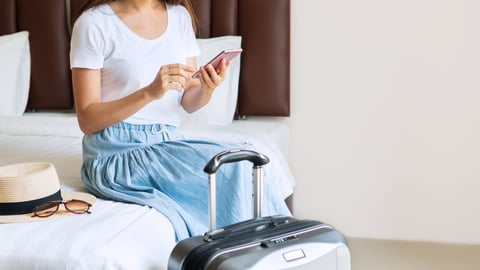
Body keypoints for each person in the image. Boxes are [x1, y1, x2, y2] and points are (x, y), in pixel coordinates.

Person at [70, 0, 291, 241]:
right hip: (116, 153)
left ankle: (270, 249)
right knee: (233, 171)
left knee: (243, 162)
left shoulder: (179, 17)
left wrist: (207, 88)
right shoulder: (94, 22)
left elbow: (189, 100)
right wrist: (148, 93)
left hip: (166, 142)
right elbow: (87, 119)